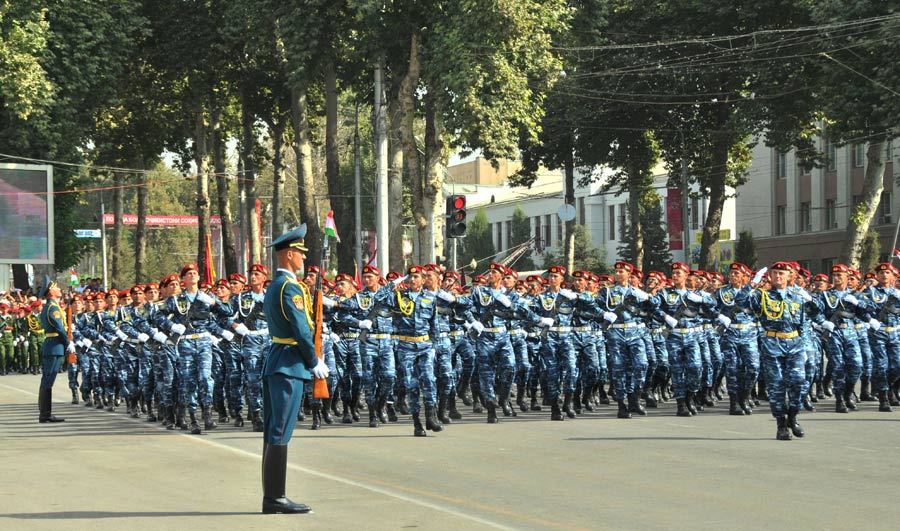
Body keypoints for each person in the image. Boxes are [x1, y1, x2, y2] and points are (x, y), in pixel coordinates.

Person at [261, 224, 329, 514]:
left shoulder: (276, 286)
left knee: (273, 430)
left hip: (279, 358)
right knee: (280, 431)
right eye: (300, 253)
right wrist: (314, 362)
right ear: (289, 255)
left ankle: (272, 497)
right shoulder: (290, 288)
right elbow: (301, 330)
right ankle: (275, 498)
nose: (303, 258)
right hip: (289, 364)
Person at [37, 276, 75, 423]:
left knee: (47, 379)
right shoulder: (53, 307)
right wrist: (68, 342)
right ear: (51, 292)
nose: (59, 288)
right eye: (56, 287)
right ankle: (45, 414)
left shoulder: (52, 306)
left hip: (52, 345)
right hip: (55, 346)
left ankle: (44, 413)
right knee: (48, 379)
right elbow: (58, 328)